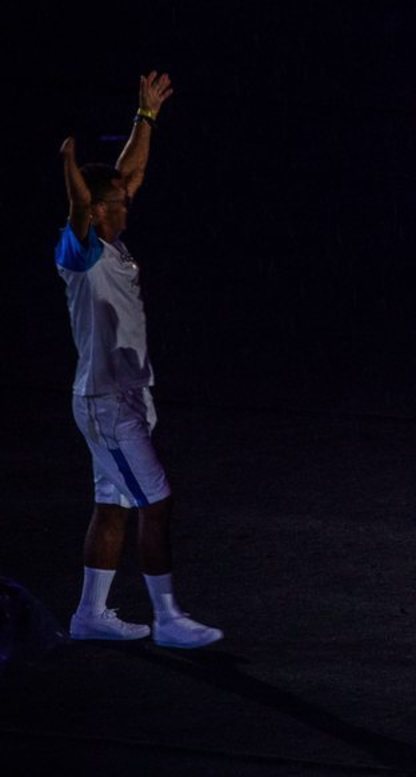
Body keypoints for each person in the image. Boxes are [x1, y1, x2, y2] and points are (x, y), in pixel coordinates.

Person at [56, 72, 222, 649]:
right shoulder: (79, 252)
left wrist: (145, 117)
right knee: (157, 503)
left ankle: (89, 615)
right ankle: (169, 619)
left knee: (113, 506)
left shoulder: (113, 240)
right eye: (117, 204)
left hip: (120, 397)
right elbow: (82, 202)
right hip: (107, 402)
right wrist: (71, 166)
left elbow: (130, 173)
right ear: (97, 212)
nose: (128, 205)